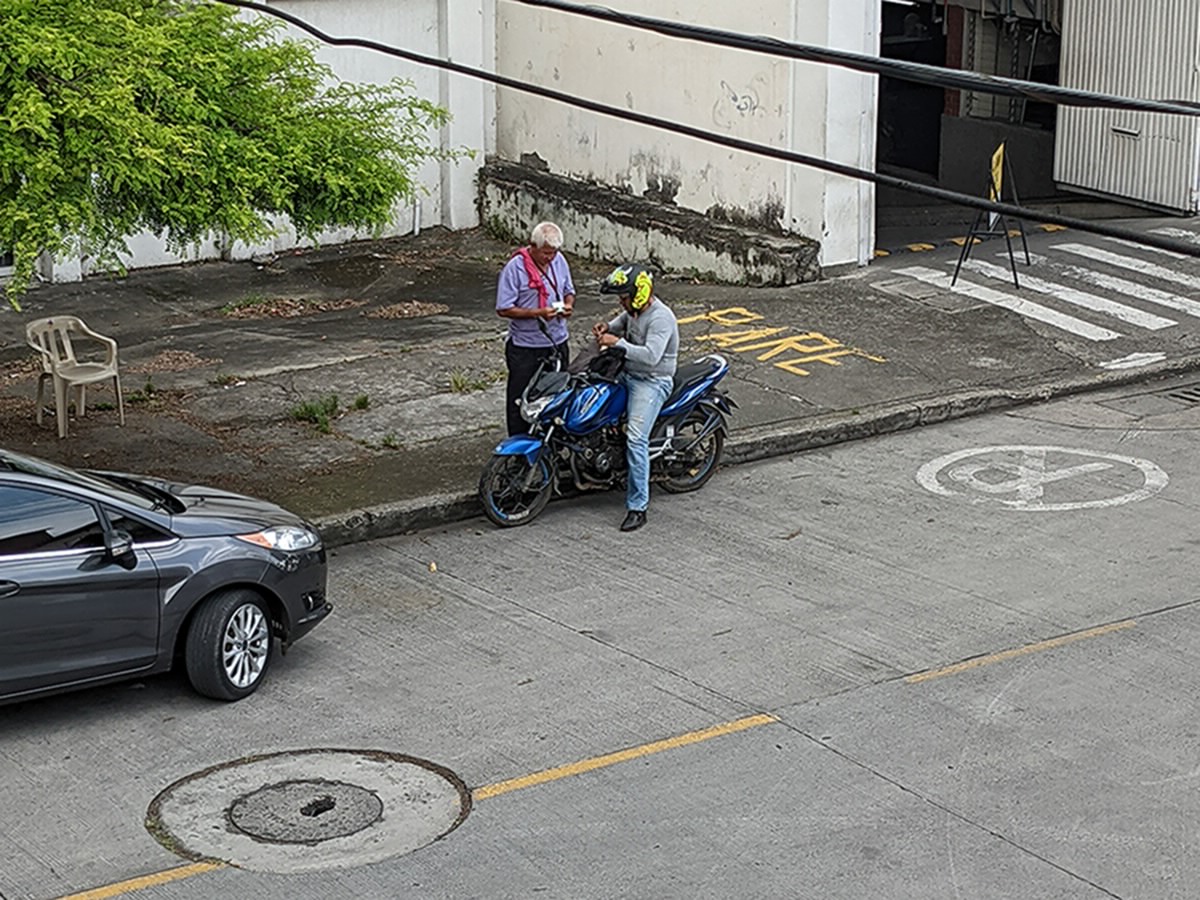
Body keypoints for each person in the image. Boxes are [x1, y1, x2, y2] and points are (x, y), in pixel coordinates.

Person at [593, 264, 679, 532]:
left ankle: (638, 506)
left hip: (652, 381)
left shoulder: (660, 318)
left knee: (636, 438)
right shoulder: (633, 311)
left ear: (639, 294)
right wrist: (606, 327)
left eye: (624, 297)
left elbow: (652, 356)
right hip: (628, 374)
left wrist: (617, 343)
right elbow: (619, 323)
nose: (622, 302)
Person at [495, 221, 576, 436]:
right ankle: (519, 447)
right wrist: (537, 313)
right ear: (533, 246)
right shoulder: (515, 268)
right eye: (546, 253)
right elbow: (503, 308)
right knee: (521, 398)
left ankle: (553, 444)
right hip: (526, 346)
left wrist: (568, 305)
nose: (550, 258)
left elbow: (569, 290)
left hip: (556, 341)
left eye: (554, 253)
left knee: (558, 395)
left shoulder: (559, 261)